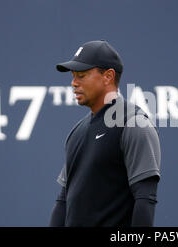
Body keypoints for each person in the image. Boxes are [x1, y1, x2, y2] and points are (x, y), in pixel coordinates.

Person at [49, 40, 161, 227]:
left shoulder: (134, 124)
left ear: (108, 76)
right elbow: (63, 202)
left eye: (81, 75)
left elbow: (145, 199)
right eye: (73, 76)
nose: (73, 83)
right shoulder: (77, 132)